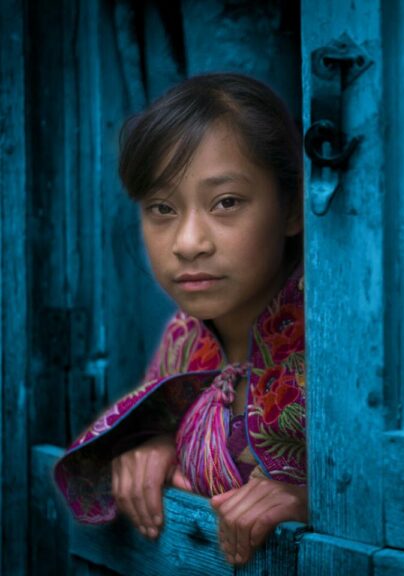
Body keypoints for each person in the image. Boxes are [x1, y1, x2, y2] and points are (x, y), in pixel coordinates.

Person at [54, 73, 307, 566]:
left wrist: (319, 498)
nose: (189, 242)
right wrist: (154, 440)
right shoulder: (184, 337)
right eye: (162, 208)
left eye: (226, 202)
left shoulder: (340, 343)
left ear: (292, 207)